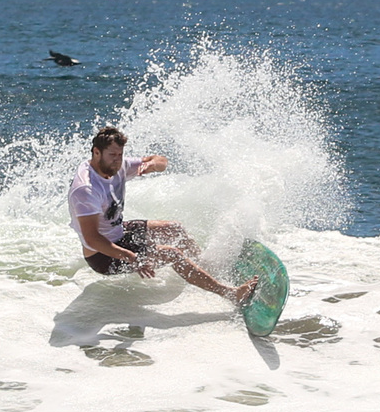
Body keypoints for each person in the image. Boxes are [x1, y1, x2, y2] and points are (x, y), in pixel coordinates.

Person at [68, 127, 258, 306]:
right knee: (172, 254)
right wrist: (131, 257)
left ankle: (205, 269)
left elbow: (161, 160)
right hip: (102, 254)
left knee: (174, 228)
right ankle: (231, 294)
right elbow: (92, 239)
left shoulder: (117, 165)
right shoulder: (86, 189)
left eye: (120, 155)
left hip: (118, 231)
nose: (117, 161)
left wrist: (152, 165)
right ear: (96, 152)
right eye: (112, 156)